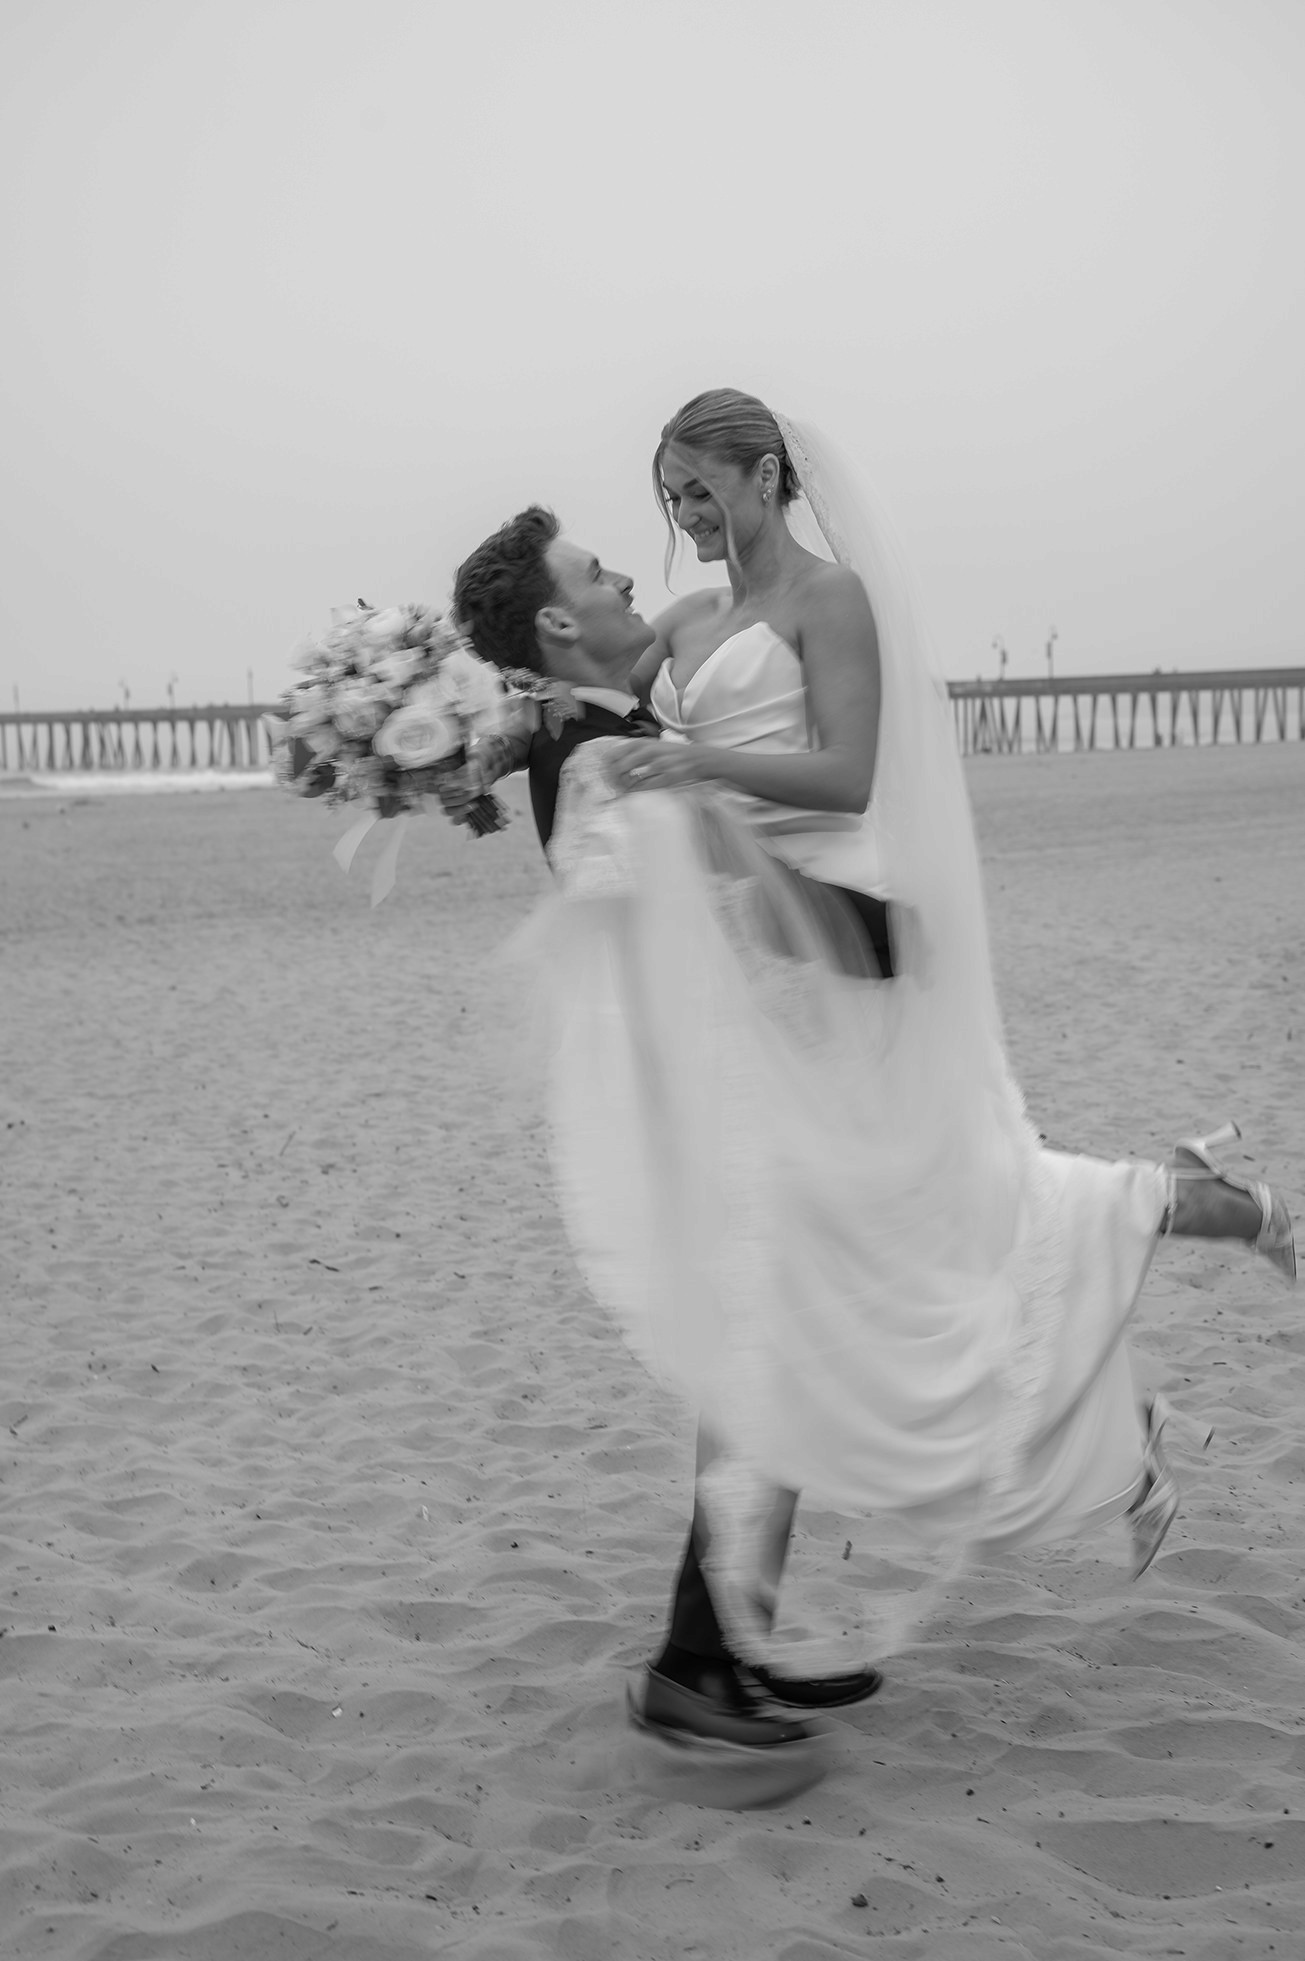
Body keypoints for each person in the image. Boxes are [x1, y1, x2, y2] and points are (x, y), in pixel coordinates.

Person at [448, 391, 1295, 1701]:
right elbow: (585, 708)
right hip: (755, 957)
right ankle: (741, 1637)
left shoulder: (829, 601)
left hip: (843, 939)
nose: (679, 518)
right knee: (862, 1262)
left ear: (764, 473)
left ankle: (1221, 1223)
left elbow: (845, 777)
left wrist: (694, 776)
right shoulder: (681, 620)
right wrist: (457, 727)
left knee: (941, 1213)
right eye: (667, 496)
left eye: (697, 487)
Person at [450, 507, 882, 1753]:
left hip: (719, 1075)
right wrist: (889, 938)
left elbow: (667, 690)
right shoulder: (598, 758)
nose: (632, 568)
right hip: (706, 1096)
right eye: (597, 569)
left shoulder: (595, 724)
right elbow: (719, 893)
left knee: (773, 1365)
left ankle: (734, 1642)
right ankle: (697, 1664)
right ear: (556, 617)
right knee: (763, 1368)